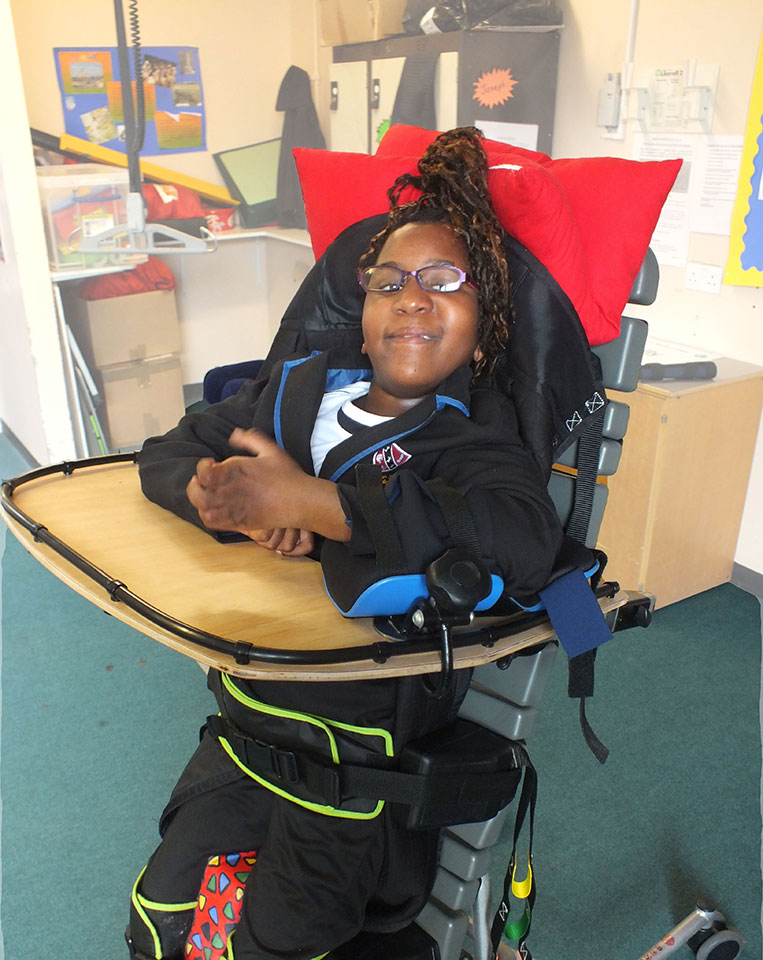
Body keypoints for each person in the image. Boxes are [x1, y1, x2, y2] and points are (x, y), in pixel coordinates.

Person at [128, 128, 564, 960]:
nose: (410, 297)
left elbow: (519, 540)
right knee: (160, 918)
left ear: (483, 326)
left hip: (357, 762)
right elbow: (171, 449)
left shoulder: (474, 439)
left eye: (444, 282)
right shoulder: (294, 396)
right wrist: (227, 500)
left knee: (280, 943)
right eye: (388, 283)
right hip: (244, 722)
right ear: (359, 317)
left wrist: (319, 504)